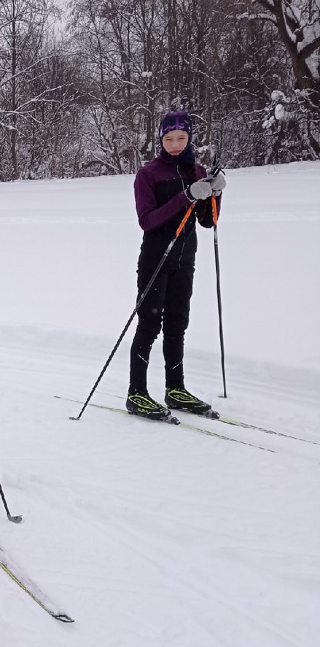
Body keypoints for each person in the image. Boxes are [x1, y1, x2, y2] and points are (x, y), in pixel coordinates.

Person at [127, 111, 226, 419]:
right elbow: (148, 220)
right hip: (156, 259)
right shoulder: (149, 174)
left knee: (177, 324)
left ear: (190, 138)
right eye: (168, 139)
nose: (175, 144)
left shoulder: (197, 170)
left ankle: (175, 389)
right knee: (149, 324)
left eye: (181, 138)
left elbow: (208, 221)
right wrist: (186, 196)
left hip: (185, 259)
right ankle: (136, 393)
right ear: (160, 139)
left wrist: (216, 193)